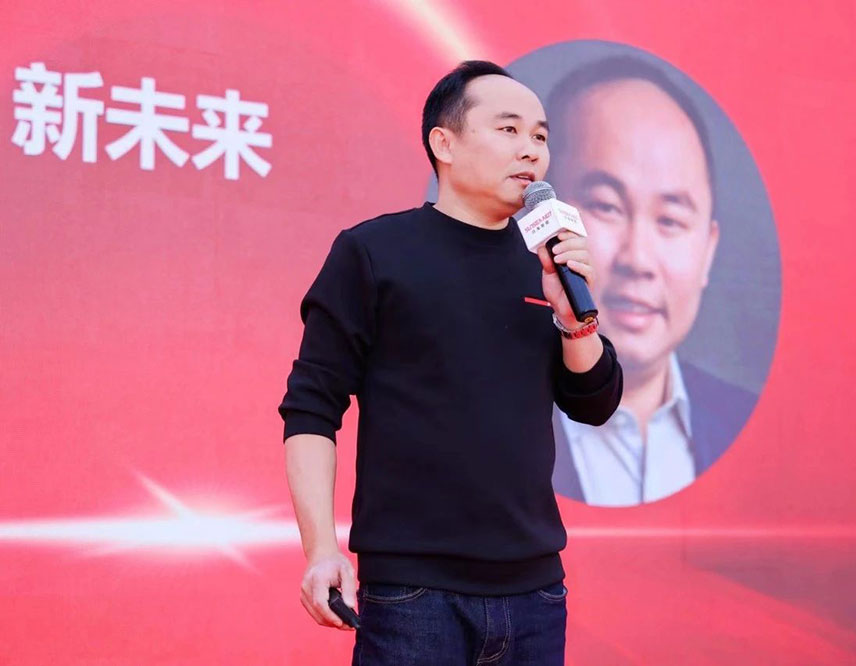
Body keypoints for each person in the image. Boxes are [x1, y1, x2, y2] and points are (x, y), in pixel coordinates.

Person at [277, 60, 623, 665]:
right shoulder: (374, 251)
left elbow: (595, 402)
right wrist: (320, 549)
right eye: (509, 130)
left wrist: (573, 318)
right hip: (413, 595)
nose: (531, 150)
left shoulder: (547, 262)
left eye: (540, 136)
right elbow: (311, 408)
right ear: (445, 143)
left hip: (536, 593)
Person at [544, 56, 757, 507]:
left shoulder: (757, 434)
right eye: (606, 207)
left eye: (671, 220)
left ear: (708, 251)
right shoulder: (484, 420)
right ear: (545, 221)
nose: (638, 260)